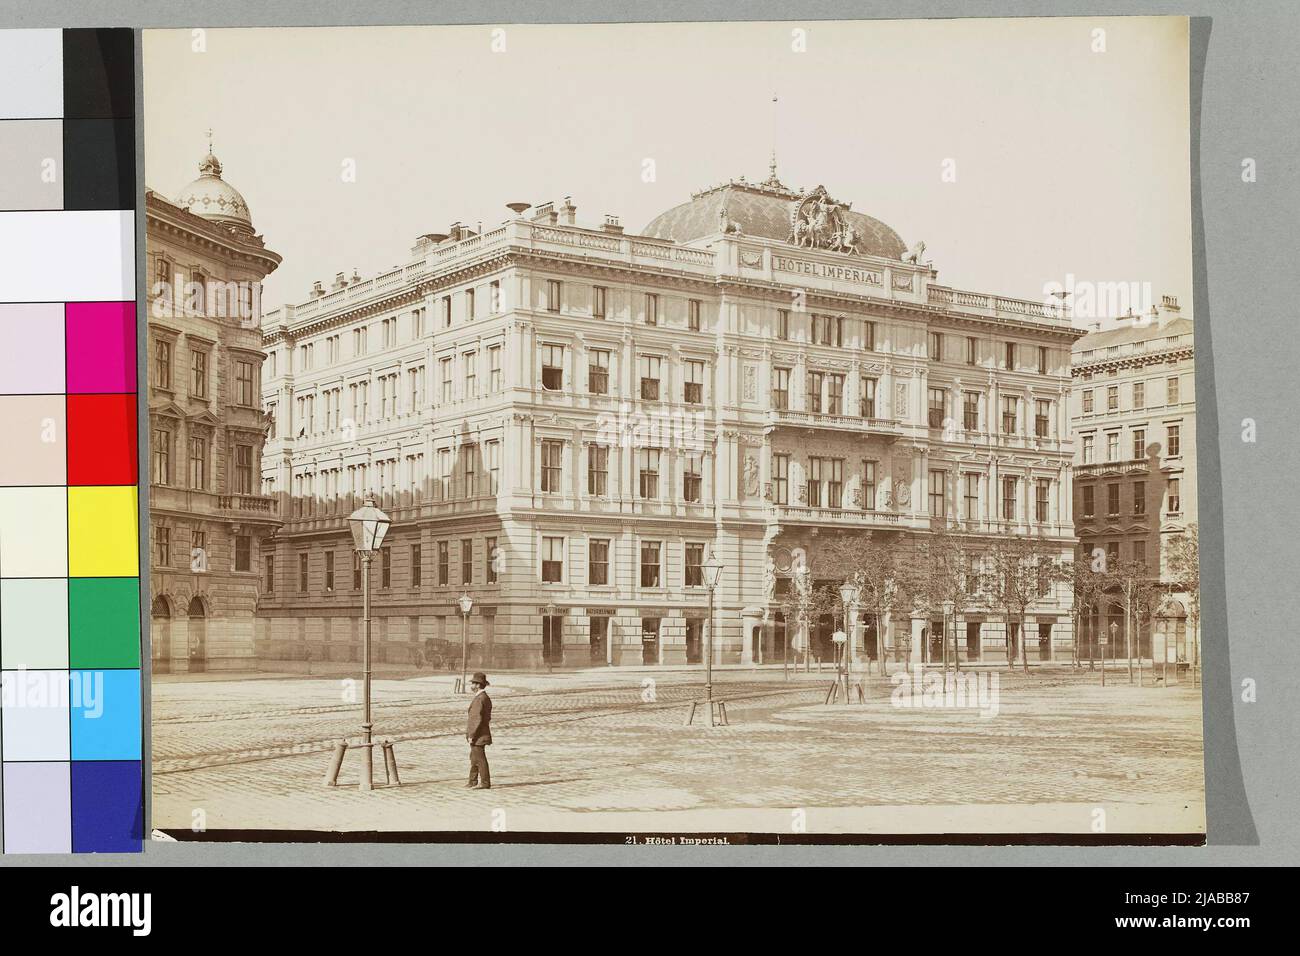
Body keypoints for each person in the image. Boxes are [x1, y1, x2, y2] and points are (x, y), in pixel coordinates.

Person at [465, 672, 493, 789]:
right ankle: (472, 781)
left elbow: (476, 719)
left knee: (480, 759)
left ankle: (485, 783)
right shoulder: (484, 697)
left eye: (473, 683)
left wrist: (471, 735)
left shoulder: (480, 699)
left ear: (478, 685)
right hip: (481, 733)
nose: (471, 686)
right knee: (474, 758)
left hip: (478, 735)